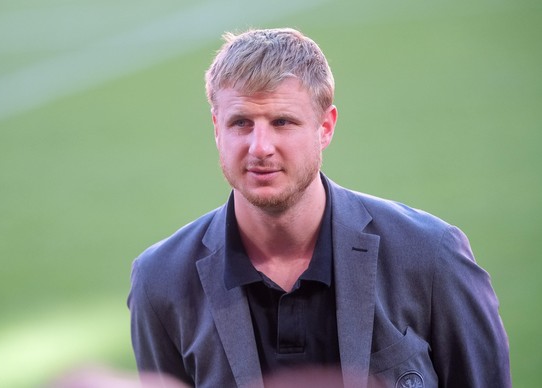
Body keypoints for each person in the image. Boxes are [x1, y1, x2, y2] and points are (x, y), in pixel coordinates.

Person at [128, 28, 511, 387]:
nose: (259, 147)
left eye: (282, 122)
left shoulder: (431, 256)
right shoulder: (159, 281)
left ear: (325, 127)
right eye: (241, 122)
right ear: (216, 128)